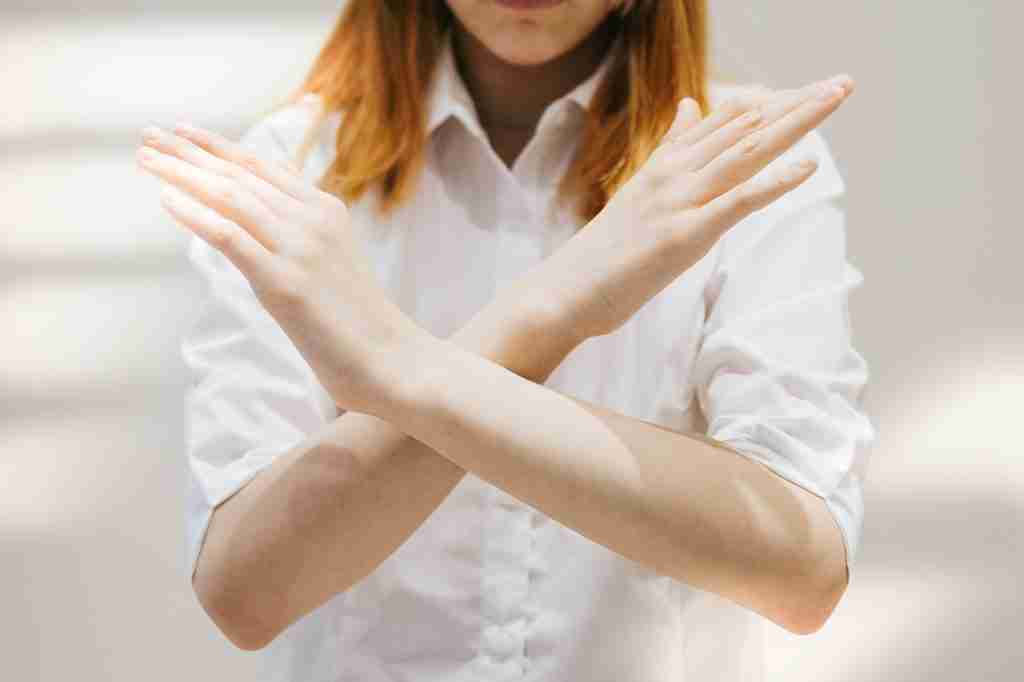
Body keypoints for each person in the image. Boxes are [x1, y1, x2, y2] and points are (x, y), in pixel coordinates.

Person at [137, 0, 877, 679]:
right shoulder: (295, 166)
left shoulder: (743, 161)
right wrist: (557, 303)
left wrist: (400, 367)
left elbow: (802, 572)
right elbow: (245, 595)